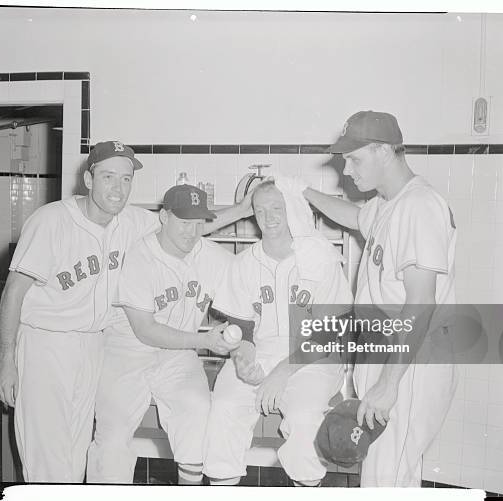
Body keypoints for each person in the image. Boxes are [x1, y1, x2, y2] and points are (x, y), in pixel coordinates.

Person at [0, 140, 252, 483]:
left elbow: (187, 227)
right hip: (46, 344)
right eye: (108, 177)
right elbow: (13, 293)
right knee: (47, 457)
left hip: (93, 344)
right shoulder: (51, 220)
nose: (118, 188)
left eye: (126, 179)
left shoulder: (129, 221)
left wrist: (244, 210)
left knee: (74, 452)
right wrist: (5, 360)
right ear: (88, 179)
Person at [303, 110, 457, 487]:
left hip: (410, 361)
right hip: (389, 353)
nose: (347, 170)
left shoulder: (418, 206)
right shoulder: (388, 203)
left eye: (354, 159)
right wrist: (302, 192)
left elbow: (421, 302)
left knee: (386, 479)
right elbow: (356, 218)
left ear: (384, 151)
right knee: (392, 477)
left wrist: (389, 382)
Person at [203, 179, 353, 487]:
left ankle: (306, 485)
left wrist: (281, 373)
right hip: (261, 351)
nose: (269, 218)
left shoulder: (319, 256)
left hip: (315, 358)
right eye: (260, 210)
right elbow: (241, 328)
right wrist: (243, 358)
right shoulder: (244, 263)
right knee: (224, 407)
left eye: (277, 208)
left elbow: (332, 329)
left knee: (304, 419)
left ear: (293, 210)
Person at [87, 184, 240, 485]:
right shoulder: (139, 256)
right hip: (127, 352)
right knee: (113, 438)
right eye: (184, 222)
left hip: (178, 355)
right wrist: (206, 341)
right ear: (164, 217)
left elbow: (247, 288)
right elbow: (147, 331)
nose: (192, 232)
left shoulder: (211, 256)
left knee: (197, 408)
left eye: (199, 223)